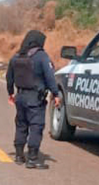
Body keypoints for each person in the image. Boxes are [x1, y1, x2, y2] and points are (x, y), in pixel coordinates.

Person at [5, 30, 62, 169]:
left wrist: (11, 93)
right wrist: (56, 94)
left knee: (21, 125)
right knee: (36, 126)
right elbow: (50, 77)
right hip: (35, 98)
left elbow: (9, 77)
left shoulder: (16, 56)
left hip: (20, 97)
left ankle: (19, 156)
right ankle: (32, 158)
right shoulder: (41, 56)